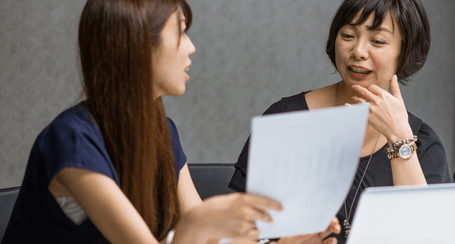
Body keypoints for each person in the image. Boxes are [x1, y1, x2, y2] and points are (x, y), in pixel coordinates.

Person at [1, 0, 340, 243]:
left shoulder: (162, 130)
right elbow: (190, 229)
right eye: (181, 33)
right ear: (137, 48)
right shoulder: (71, 140)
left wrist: (288, 242)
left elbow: (208, 239)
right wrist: (197, 223)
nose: (191, 48)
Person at [228, 0, 451, 243]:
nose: (358, 51)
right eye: (347, 35)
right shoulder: (286, 120)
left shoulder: (424, 144)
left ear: (404, 53)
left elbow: (424, 237)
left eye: (377, 41)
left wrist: (400, 140)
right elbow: (235, 233)